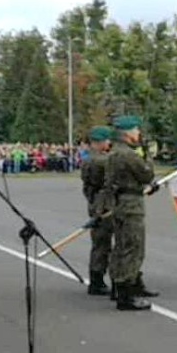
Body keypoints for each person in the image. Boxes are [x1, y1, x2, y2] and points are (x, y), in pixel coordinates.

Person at [105, 115, 160, 310]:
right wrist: (149, 156)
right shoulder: (128, 154)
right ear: (127, 133)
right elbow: (146, 174)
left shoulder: (114, 152)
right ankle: (126, 295)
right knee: (133, 248)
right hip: (131, 205)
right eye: (136, 130)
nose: (138, 134)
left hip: (120, 203)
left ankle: (118, 287)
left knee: (121, 246)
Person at [81, 126, 114, 295]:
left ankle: (97, 278)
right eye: (107, 140)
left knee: (100, 243)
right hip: (104, 205)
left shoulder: (89, 159)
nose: (109, 143)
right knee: (103, 244)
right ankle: (97, 281)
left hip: (95, 202)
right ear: (98, 142)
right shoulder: (100, 160)